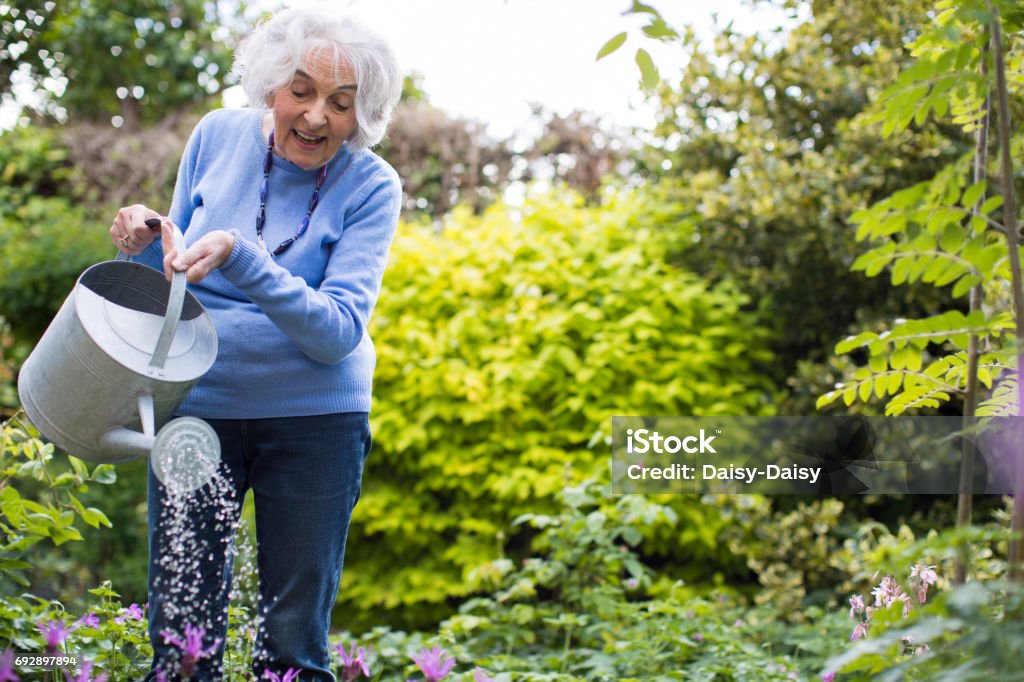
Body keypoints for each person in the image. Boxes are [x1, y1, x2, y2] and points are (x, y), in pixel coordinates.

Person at [108, 8, 402, 681]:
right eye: (301, 91)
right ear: (271, 85)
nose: (317, 116)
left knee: (292, 646)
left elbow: (335, 332)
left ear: (365, 115)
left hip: (316, 422)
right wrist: (145, 232)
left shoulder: (372, 187)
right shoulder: (216, 136)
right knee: (183, 640)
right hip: (197, 408)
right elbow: (175, 264)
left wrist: (241, 256)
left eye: (342, 102)